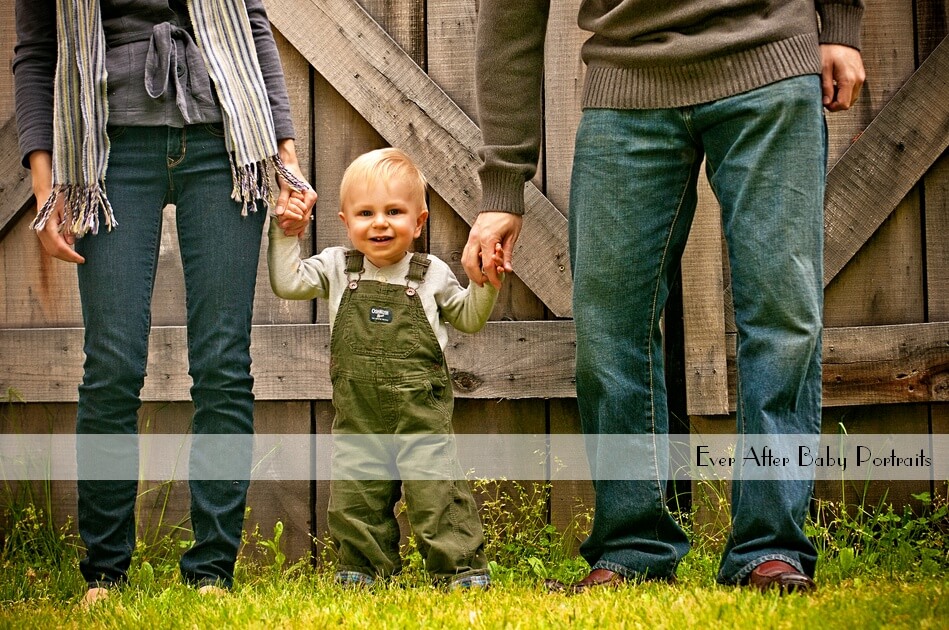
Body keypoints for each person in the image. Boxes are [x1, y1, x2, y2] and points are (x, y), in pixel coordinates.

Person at [463, 1, 866, 593]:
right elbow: (510, 13)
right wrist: (503, 181)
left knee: (784, 319)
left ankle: (770, 549)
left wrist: (841, 23)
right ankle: (632, 548)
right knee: (611, 328)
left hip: (769, 58)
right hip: (627, 76)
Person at [13, 0, 317, 605]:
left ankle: (212, 574)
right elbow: (36, 50)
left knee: (224, 365)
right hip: (109, 148)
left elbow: (252, 21)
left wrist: (286, 155)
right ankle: (105, 575)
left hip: (225, 139)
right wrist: (45, 186)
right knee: (112, 366)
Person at [269, 147, 500, 589]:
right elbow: (287, 282)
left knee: (437, 496)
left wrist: (485, 282)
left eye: (394, 211)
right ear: (344, 220)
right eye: (366, 212)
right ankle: (363, 570)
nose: (379, 222)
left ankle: (460, 572)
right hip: (359, 416)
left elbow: (469, 317)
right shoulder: (337, 267)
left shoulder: (431, 274)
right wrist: (285, 235)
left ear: (419, 221)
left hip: (421, 417)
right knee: (356, 497)